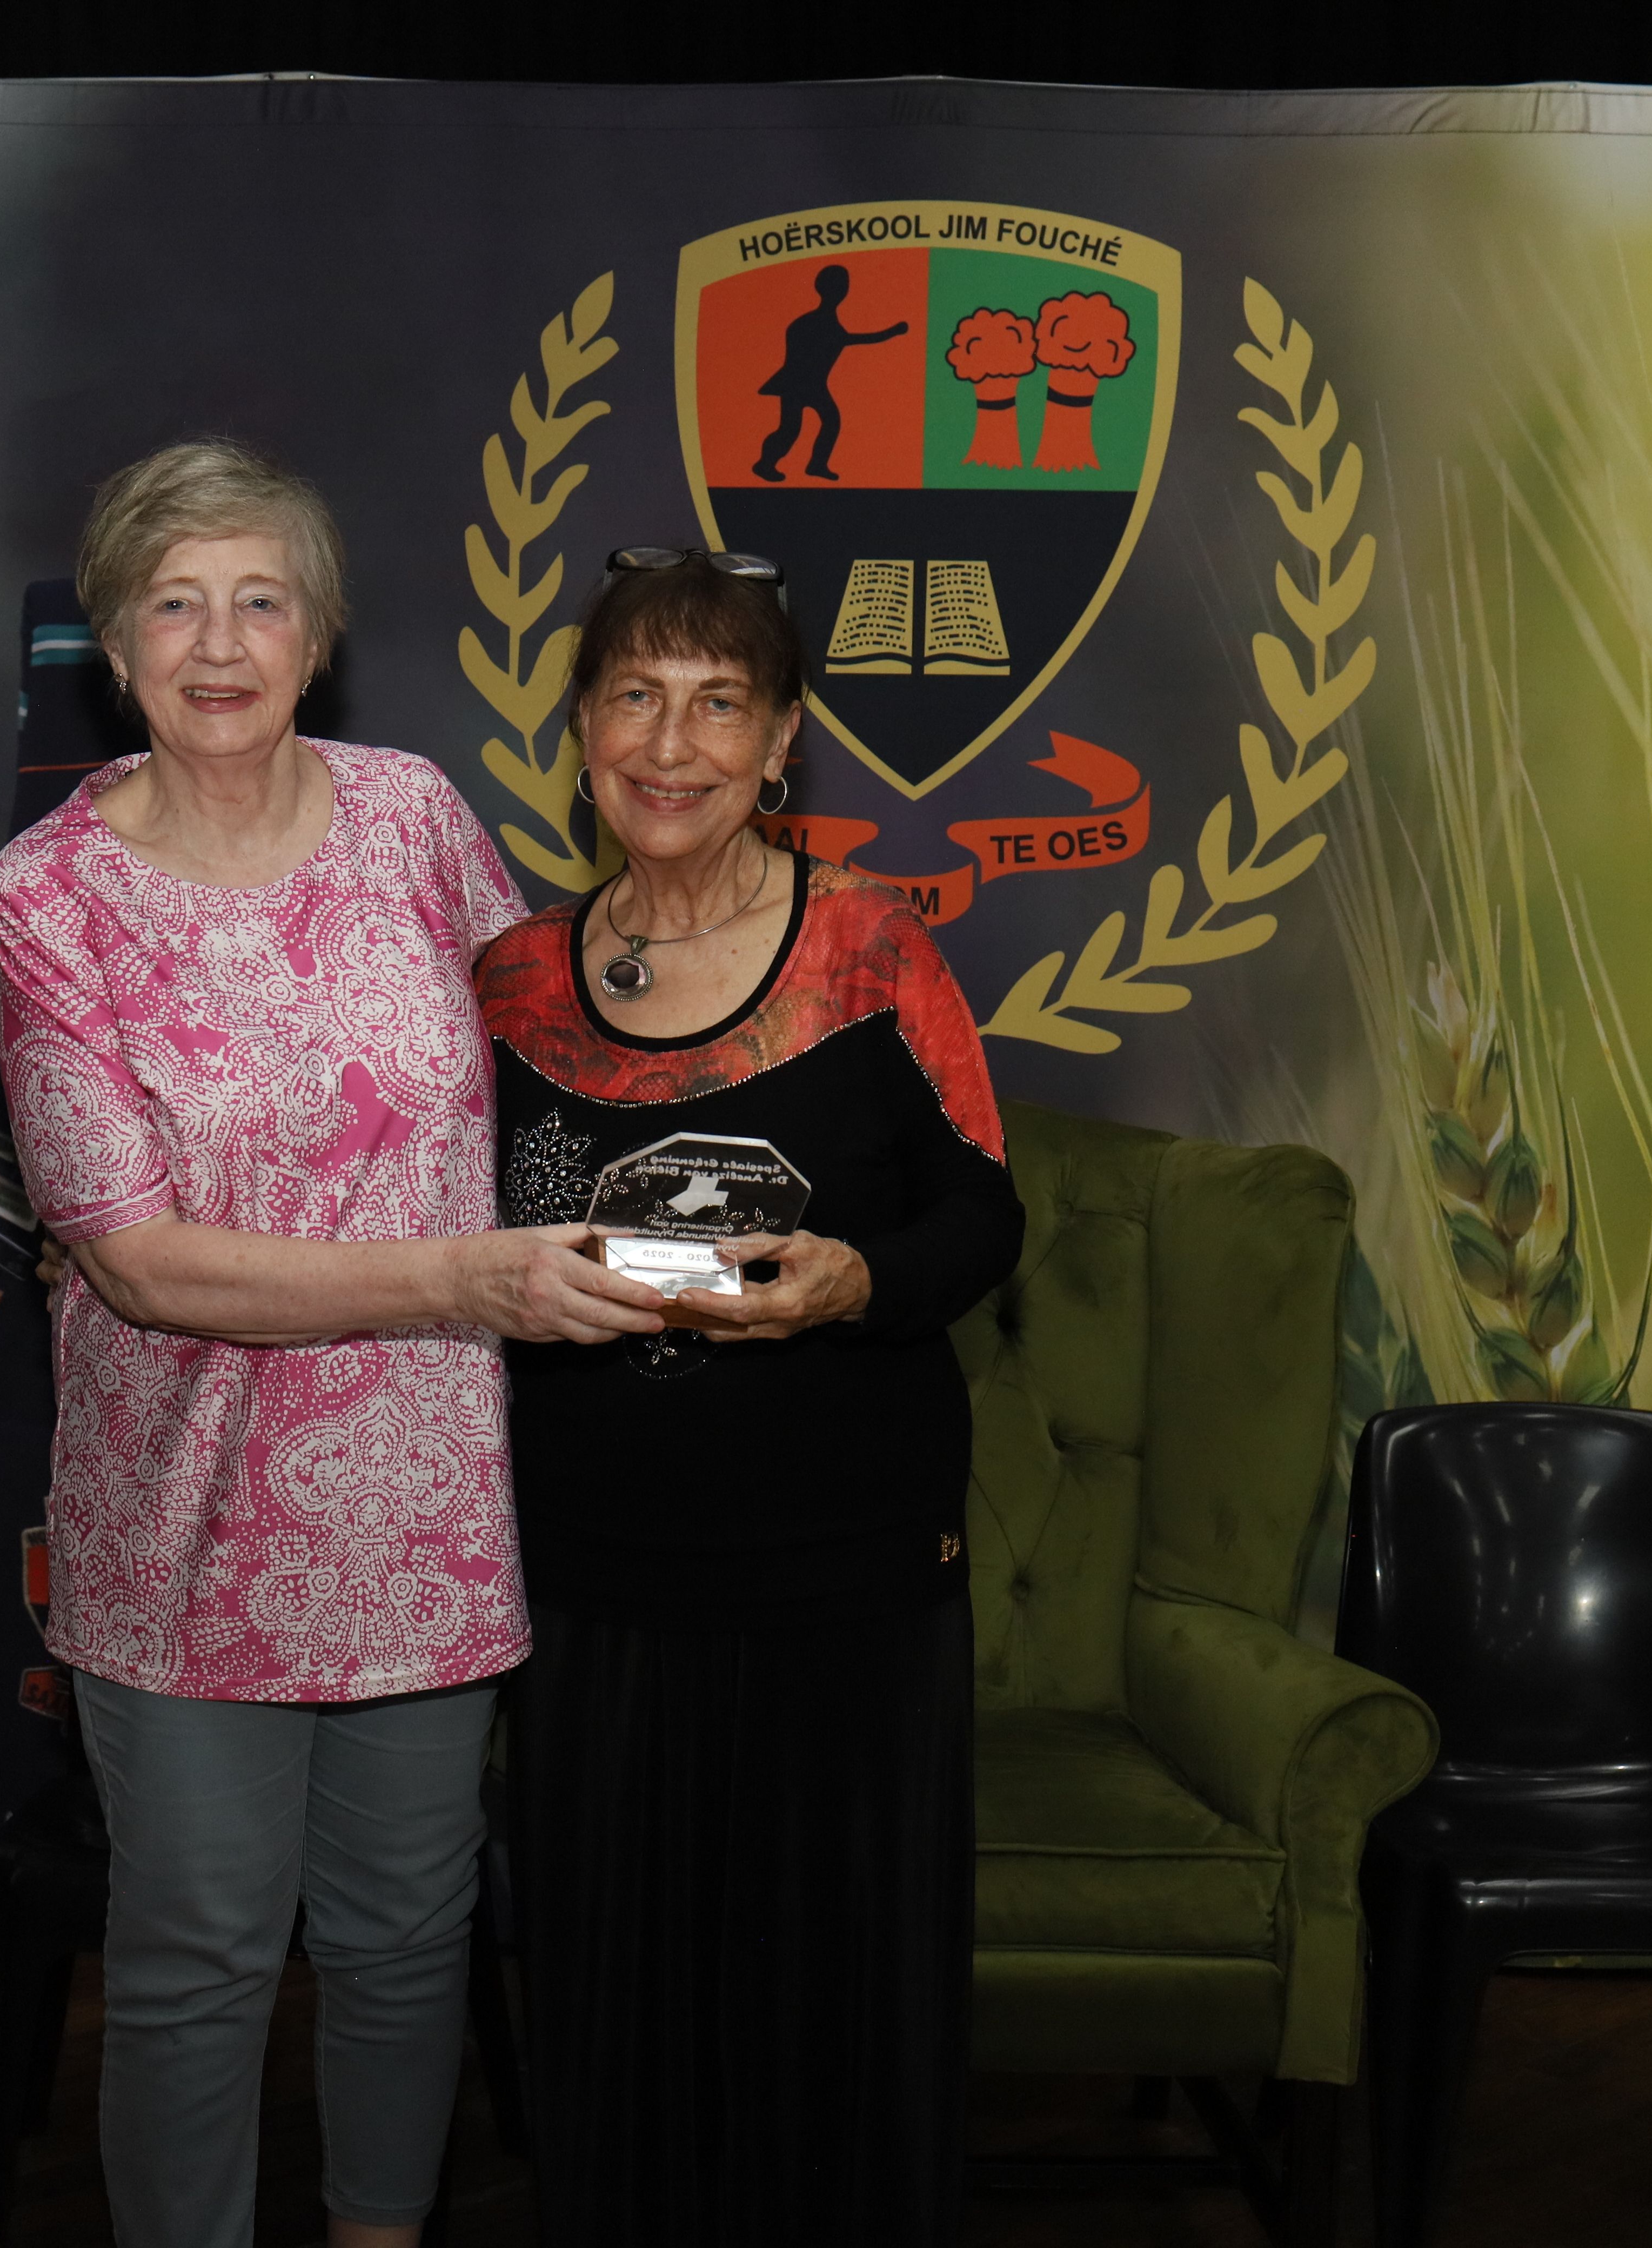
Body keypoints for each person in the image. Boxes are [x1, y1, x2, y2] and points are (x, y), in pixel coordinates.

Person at [0, 440, 668, 2248]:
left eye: (261, 601)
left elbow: (562, 1061)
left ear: (320, 633)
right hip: (184, 1523)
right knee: (201, 1954)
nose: (221, 644)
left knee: (405, 1936)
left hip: (427, 1511)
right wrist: (466, 1284)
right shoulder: (48, 898)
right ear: (114, 647)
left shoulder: (412, 814)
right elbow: (136, 1261)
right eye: (176, 605)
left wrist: (747, 970)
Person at [474, 545, 1025, 2245]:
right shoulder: (504, 983)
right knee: (611, 2011)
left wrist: (859, 1283)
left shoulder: (875, 952)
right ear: (579, 728)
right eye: (634, 696)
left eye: (719, 704)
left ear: (783, 742)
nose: (672, 742)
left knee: (833, 2011)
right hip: (591, 1587)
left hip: (843, 1585)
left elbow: (984, 1219)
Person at [752, 262, 912, 483]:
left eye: (844, 286)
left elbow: (854, 339)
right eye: (840, 286)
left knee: (829, 422)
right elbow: (855, 339)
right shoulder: (811, 324)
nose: (843, 290)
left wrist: (892, 333)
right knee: (791, 429)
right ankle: (765, 464)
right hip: (797, 385)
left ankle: (816, 464)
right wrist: (892, 332)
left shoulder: (818, 324)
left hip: (814, 385)